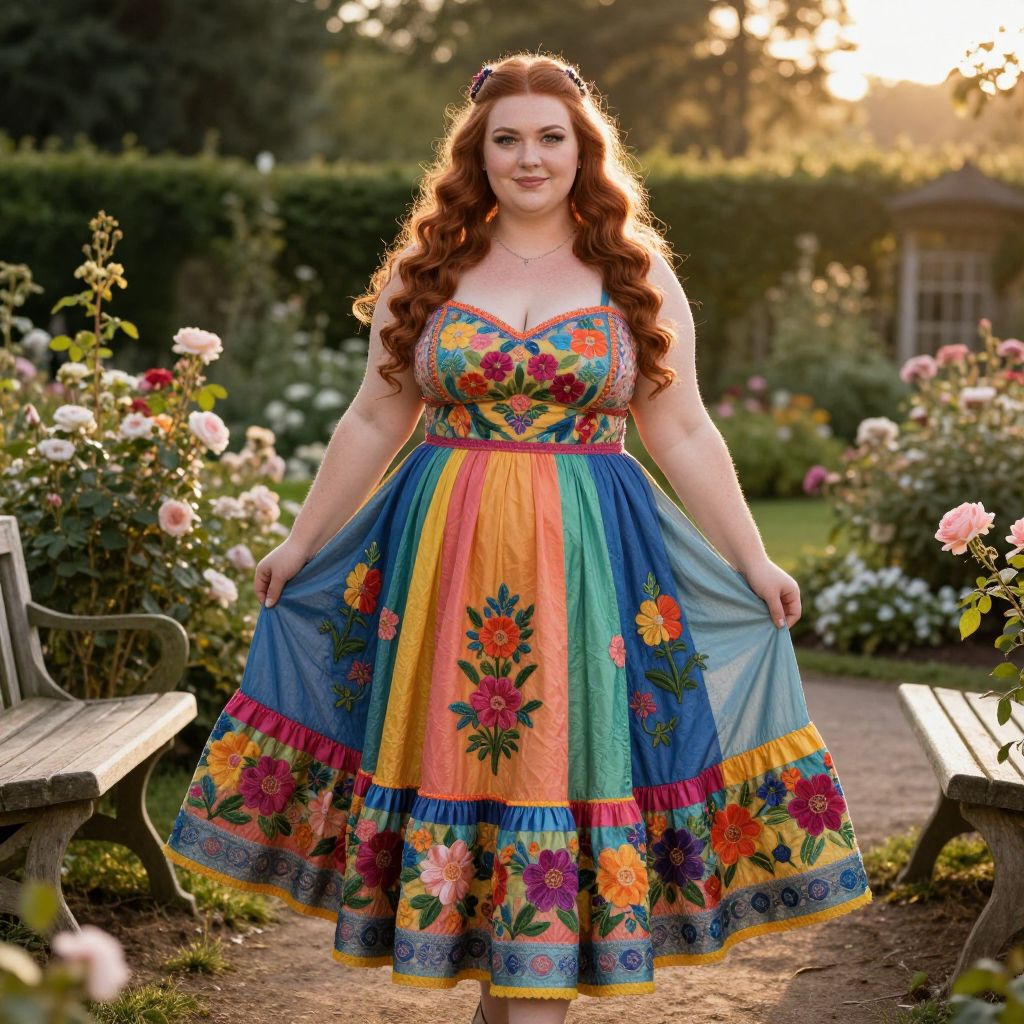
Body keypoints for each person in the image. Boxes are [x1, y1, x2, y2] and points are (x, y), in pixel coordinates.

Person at [164, 52, 872, 1024]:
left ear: (585, 150)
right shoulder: (431, 265)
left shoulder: (634, 270)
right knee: (480, 766)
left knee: (562, 764)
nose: (529, 158)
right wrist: (300, 539)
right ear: (476, 151)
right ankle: (509, 994)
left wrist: (754, 557)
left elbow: (682, 427)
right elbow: (374, 418)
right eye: (508, 139)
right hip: (441, 569)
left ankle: (527, 993)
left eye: (552, 138)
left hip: (590, 566)